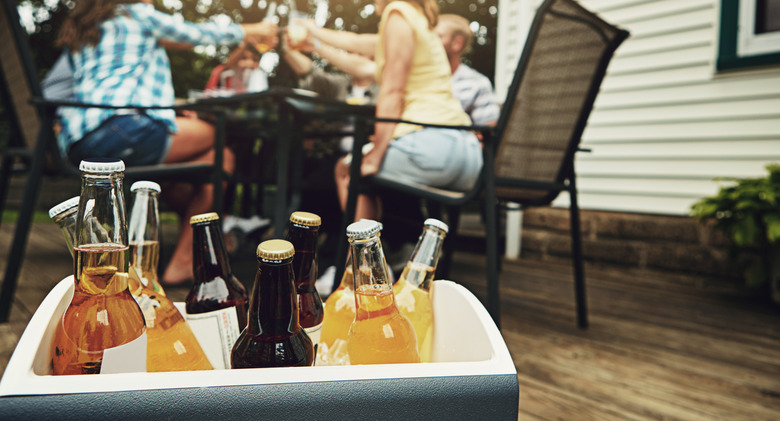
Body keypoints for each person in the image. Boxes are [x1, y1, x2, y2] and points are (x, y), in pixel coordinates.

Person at [56, 0, 278, 285]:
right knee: (223, 146)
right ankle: (193, 253)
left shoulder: (88, 29)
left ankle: (195, 248)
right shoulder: (136, 14)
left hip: (81, 142)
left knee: (213, 158)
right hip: (123, 130)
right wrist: (253, 30)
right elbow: (193, 33)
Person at [300, 0, 482, 224]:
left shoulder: (398, 13)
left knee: (349, 168)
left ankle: (359, 248)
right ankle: (374, 245)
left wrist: (376, 153)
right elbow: (356, 45)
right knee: (364, 166)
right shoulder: (420, 22)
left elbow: (393, 90)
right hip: (469, 157)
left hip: (432, 149)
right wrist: (315, 37)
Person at [436, 13, 500, 126]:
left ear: (457, 43)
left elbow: (486, 130)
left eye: (438, 36)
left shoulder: (477, 84)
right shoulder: (417, 77)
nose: (431, 42)